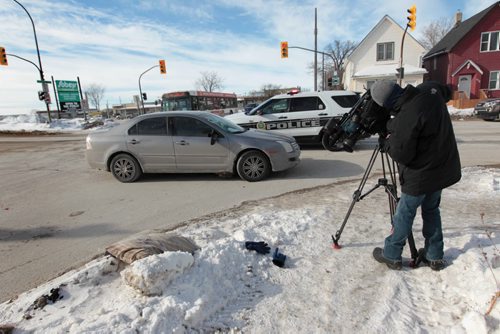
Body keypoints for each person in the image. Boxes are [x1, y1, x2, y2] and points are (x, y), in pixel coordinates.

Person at [370, 80, 461, 271]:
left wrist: (387, 142)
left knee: (404, 213)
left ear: (387, 104)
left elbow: (402, 154)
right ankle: (434, 255)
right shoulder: (428, 92)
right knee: (431, 210)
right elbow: (444, 90)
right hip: (441, 168)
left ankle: (391, 254)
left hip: (421, 175)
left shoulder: (406, 116)